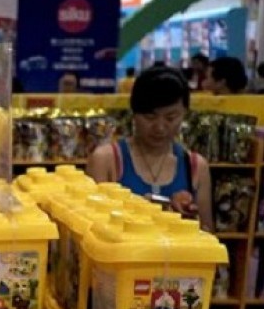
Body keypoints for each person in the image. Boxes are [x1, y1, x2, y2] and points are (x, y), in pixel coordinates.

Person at [86, 66, 213, 231]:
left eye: (171, 118)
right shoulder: (106, 160)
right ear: (134, 114)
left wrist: (187, 216)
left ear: (184, 114)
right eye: (150, 117)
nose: (160, 127)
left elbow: (207, 234)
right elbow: (90, 227)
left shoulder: (196, 167)